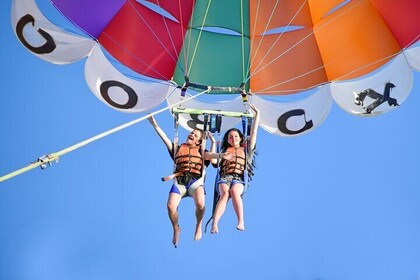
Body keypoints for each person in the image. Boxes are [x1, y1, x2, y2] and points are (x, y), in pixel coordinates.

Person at [148, 115, 232, 247]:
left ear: (199, 141)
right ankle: (176, 228)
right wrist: (154, 124)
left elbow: (210, 155)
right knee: (170, 206)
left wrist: (222, 155)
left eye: (196, 135)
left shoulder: (201, 151)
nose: (192, 134)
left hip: (195, 181)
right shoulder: (178, 149)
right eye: (192, 133)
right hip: (180, 181)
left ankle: (198, 224)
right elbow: (164, 138)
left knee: (200, 203)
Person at [211, 103, 260, 234]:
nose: (233, 139)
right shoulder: (224, 151)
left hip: (239, 179)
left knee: (234, 191)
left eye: (236, 136)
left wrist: (257, 115)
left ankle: (241, 221)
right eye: (230, 137)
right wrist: (215, 146)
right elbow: (214, 161)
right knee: (225, 194)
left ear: (241, 138)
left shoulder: (246, 150)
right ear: (227, 140)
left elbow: (254, 132)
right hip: (224, 178)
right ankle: (214, 224)